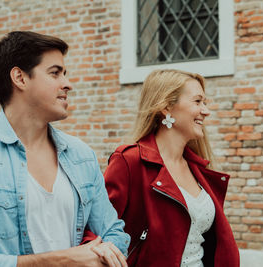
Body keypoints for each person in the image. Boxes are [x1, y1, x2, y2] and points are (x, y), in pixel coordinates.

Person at [0, 31, 129, 267]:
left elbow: (114, 233)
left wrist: (104, 254)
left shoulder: (81, 155)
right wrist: (63, 260)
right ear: (20, 78)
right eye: (55, 73)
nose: (67, 84)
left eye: (64, 74)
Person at [83, 69, 240, 266]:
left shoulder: (197, 168)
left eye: (205, 103)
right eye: (198, 101)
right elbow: (94, 228)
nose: (206, 111)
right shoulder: (130, 161)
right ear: (166, 107)